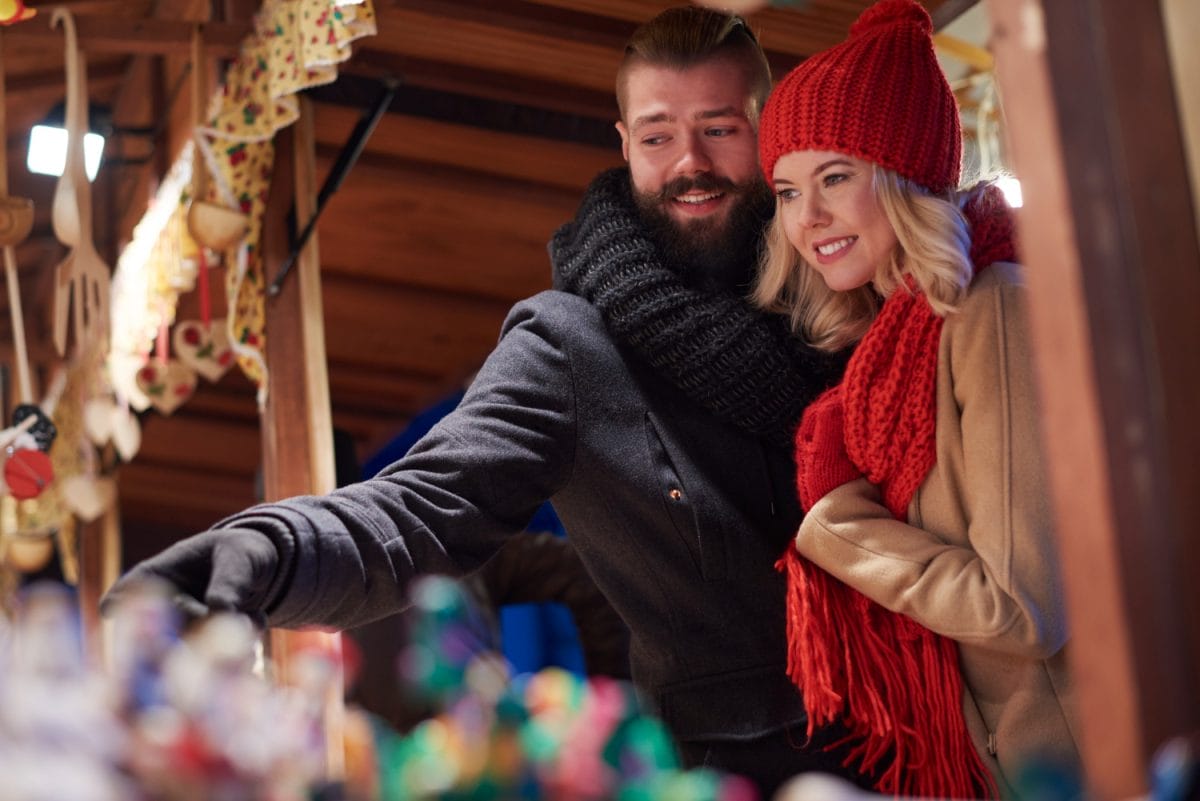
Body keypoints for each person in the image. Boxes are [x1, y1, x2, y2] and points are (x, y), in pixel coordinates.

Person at [104, 7, 864, 796]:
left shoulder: (851, 295)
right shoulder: (573, 348)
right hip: (736, 778)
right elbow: (419, 508)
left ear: (767, 129)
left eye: (719, 128)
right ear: (625, 144)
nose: (689, 163)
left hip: (942, 748)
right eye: (658, 135)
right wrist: (268, 549)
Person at [750, 0, 1079, 796]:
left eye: (835, 177)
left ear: (904, 178)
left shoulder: (987, 310)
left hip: (1075, 759)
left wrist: (841, 525)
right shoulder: (892, 341)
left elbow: (1023, 607)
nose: (809, 218)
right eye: (788, 191)